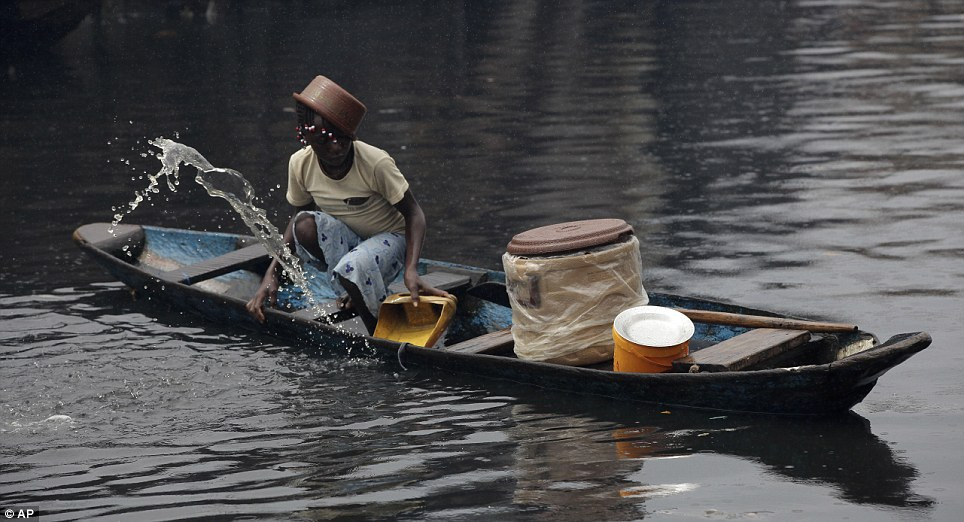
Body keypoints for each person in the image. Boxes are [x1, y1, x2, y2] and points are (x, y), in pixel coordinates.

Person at [245, 75, 450, 333]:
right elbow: (298, 220)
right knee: (305, 225)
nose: (336, 147)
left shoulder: (375, 163)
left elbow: (414, 214)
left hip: (392, 241)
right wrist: (272, 273)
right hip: (350, 243)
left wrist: (411, 270)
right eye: (325, 139)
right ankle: (355, 290)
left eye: (342, 137)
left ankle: (379, 332)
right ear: (307, 139)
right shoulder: (300, 164)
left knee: (352, 266)